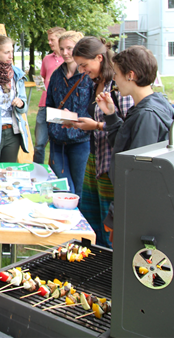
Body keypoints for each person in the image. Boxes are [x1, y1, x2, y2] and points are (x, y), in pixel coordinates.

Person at [96, 45, 174, 241]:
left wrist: (115, 216)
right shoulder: (152, 104)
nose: (114, 79)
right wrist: (111, 115)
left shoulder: (147, 115)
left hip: (137, 212)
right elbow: (124, 146)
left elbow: (138, 173)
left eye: (116, 74)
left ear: (130, 75)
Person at [69, 36, 134, 248]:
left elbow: (128, 130)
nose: (81, 70)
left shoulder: (118, 86)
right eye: (79, 66)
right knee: (90, 222)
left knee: (108, 226)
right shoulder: (98, 83)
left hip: (110, 165)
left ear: (99, 58)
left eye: (84, 65)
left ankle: (108, 270)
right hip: (95, 160)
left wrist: (96, 126)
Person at [45, 31, 93, 196]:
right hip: (58, 140)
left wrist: (76, 118)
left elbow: (94, 108)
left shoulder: (88, 76)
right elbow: (49, 103)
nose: (65, 53)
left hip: (81, 140)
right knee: (62, 189)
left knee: (79, 190)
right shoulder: (57, 75)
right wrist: (53, 122)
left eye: (70, 48)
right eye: (62, 48)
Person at [34, 27, 66, 164]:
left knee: (57, 143)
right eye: (49, 40)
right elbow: (41, 78)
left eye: (52, 39)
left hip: (59, 107)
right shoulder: (47, 59)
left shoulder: (69, 59)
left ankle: (54, 172)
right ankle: (38, 172)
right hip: (43, 105)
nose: (49, 42)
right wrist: (40, 85)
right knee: (39, 144)